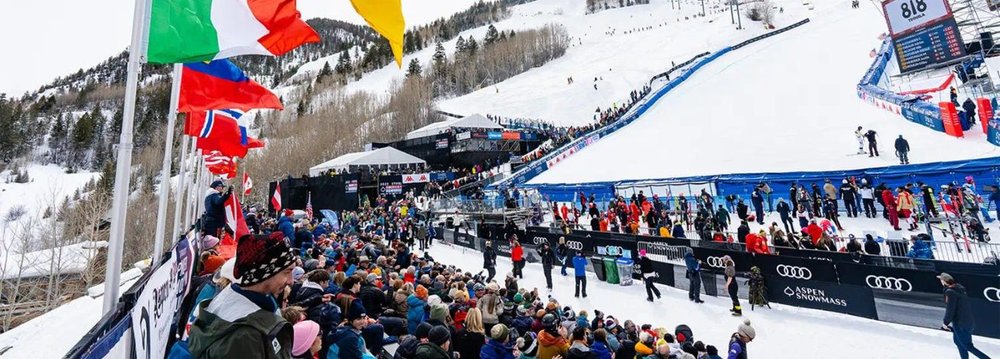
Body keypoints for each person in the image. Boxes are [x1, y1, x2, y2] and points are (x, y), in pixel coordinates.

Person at [188, 233, 296, 358]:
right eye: (287, 272)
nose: (291, 281)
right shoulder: (247, 335)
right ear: (265, 273)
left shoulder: (231, 298)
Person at [938, 273, 990, 359]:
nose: (940, 281)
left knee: (968, 346)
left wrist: (945, 323)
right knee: (958, 342)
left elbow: (950, 309)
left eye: (941, 280)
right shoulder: (959, 288)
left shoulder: (950, 292)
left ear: (944, 281)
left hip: (960, 323)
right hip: (966, 321)